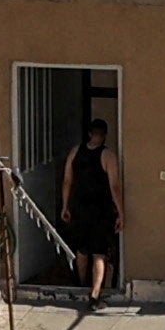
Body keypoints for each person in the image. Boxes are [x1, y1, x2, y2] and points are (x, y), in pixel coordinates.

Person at [55, 126, 124, 313]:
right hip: (100, 210)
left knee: (82, 250)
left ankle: (80, 283)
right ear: (104, 135)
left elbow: (67, 181)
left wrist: (65, 205)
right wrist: (121, 212)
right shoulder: (108, 156)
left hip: (79, 207)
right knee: (99, 253)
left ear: (89, 134)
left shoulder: (75, 152)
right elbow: (115, 186)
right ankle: (94, 294)